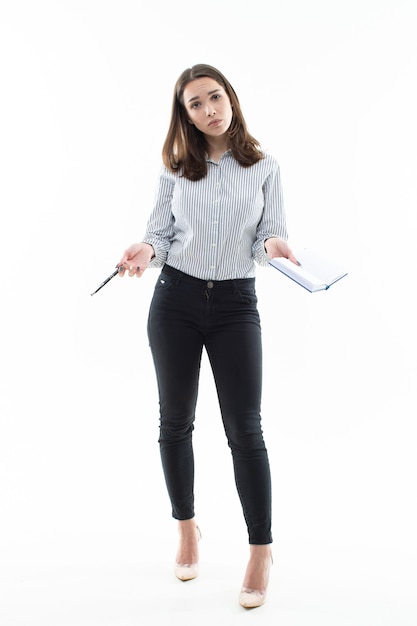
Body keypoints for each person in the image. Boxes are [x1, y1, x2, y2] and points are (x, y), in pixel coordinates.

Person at [117, 64, 298, 609]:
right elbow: (158, 233)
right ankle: (187, 527)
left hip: (236, 304)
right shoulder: (175, 168)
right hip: (175, 300)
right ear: (185, 115)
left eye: (213, 97)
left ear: (231, 99)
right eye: (194, 105)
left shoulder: (265, 166)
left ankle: (260, 550)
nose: (208, 110)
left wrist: (273, 246)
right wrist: (145, 252)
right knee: (175, 421)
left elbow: (272, 229)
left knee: (246, 428)